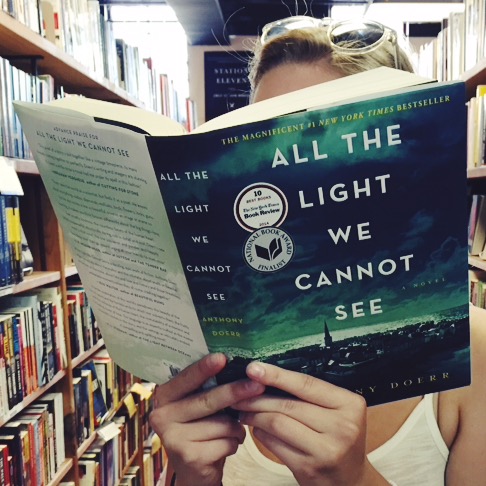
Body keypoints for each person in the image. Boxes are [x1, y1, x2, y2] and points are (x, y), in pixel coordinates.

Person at [149, 16, 486, 486]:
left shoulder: (477, 349)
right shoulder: (212, 359)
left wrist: (355, 478)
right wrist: (191, 476)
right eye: (268, 142)